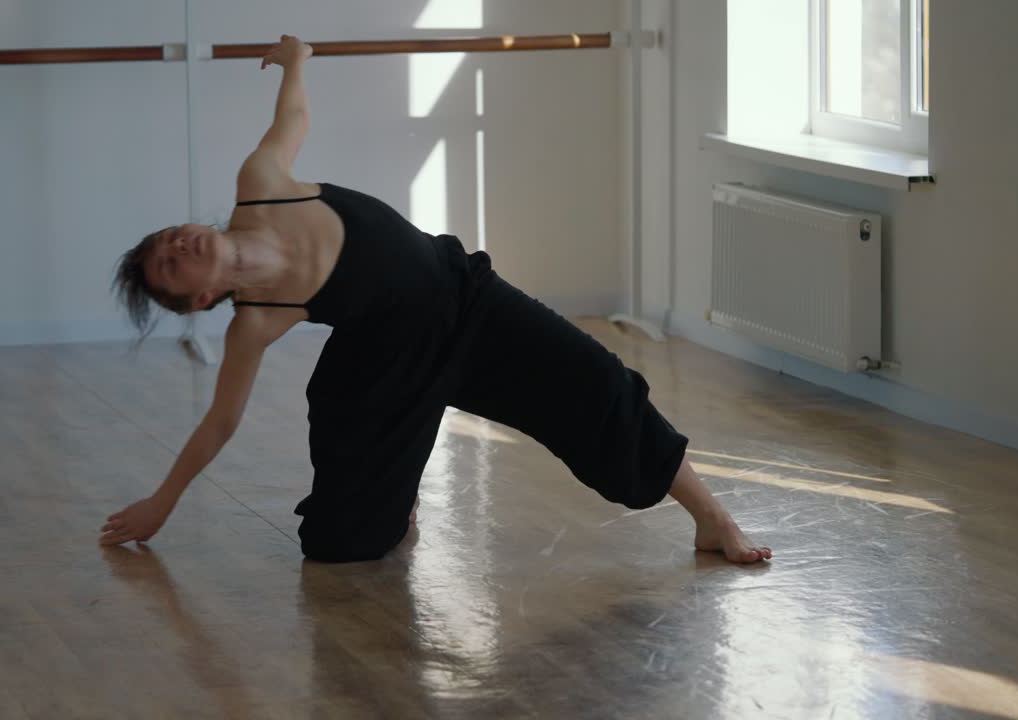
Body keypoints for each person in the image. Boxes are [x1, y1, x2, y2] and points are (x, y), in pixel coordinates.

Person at [101, 35, 771, 564]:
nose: (177, 245)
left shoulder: (263, 185)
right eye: (169, 264)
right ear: (200, 300)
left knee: (598, 384)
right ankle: (397, 499)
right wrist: (163, 503)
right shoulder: (256, 323)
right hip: (390, 363)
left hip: (467, 303)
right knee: (337, 546)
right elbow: (220, 422)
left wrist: (296, 60)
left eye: (170, 238)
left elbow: (295, 116)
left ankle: (712, 520)